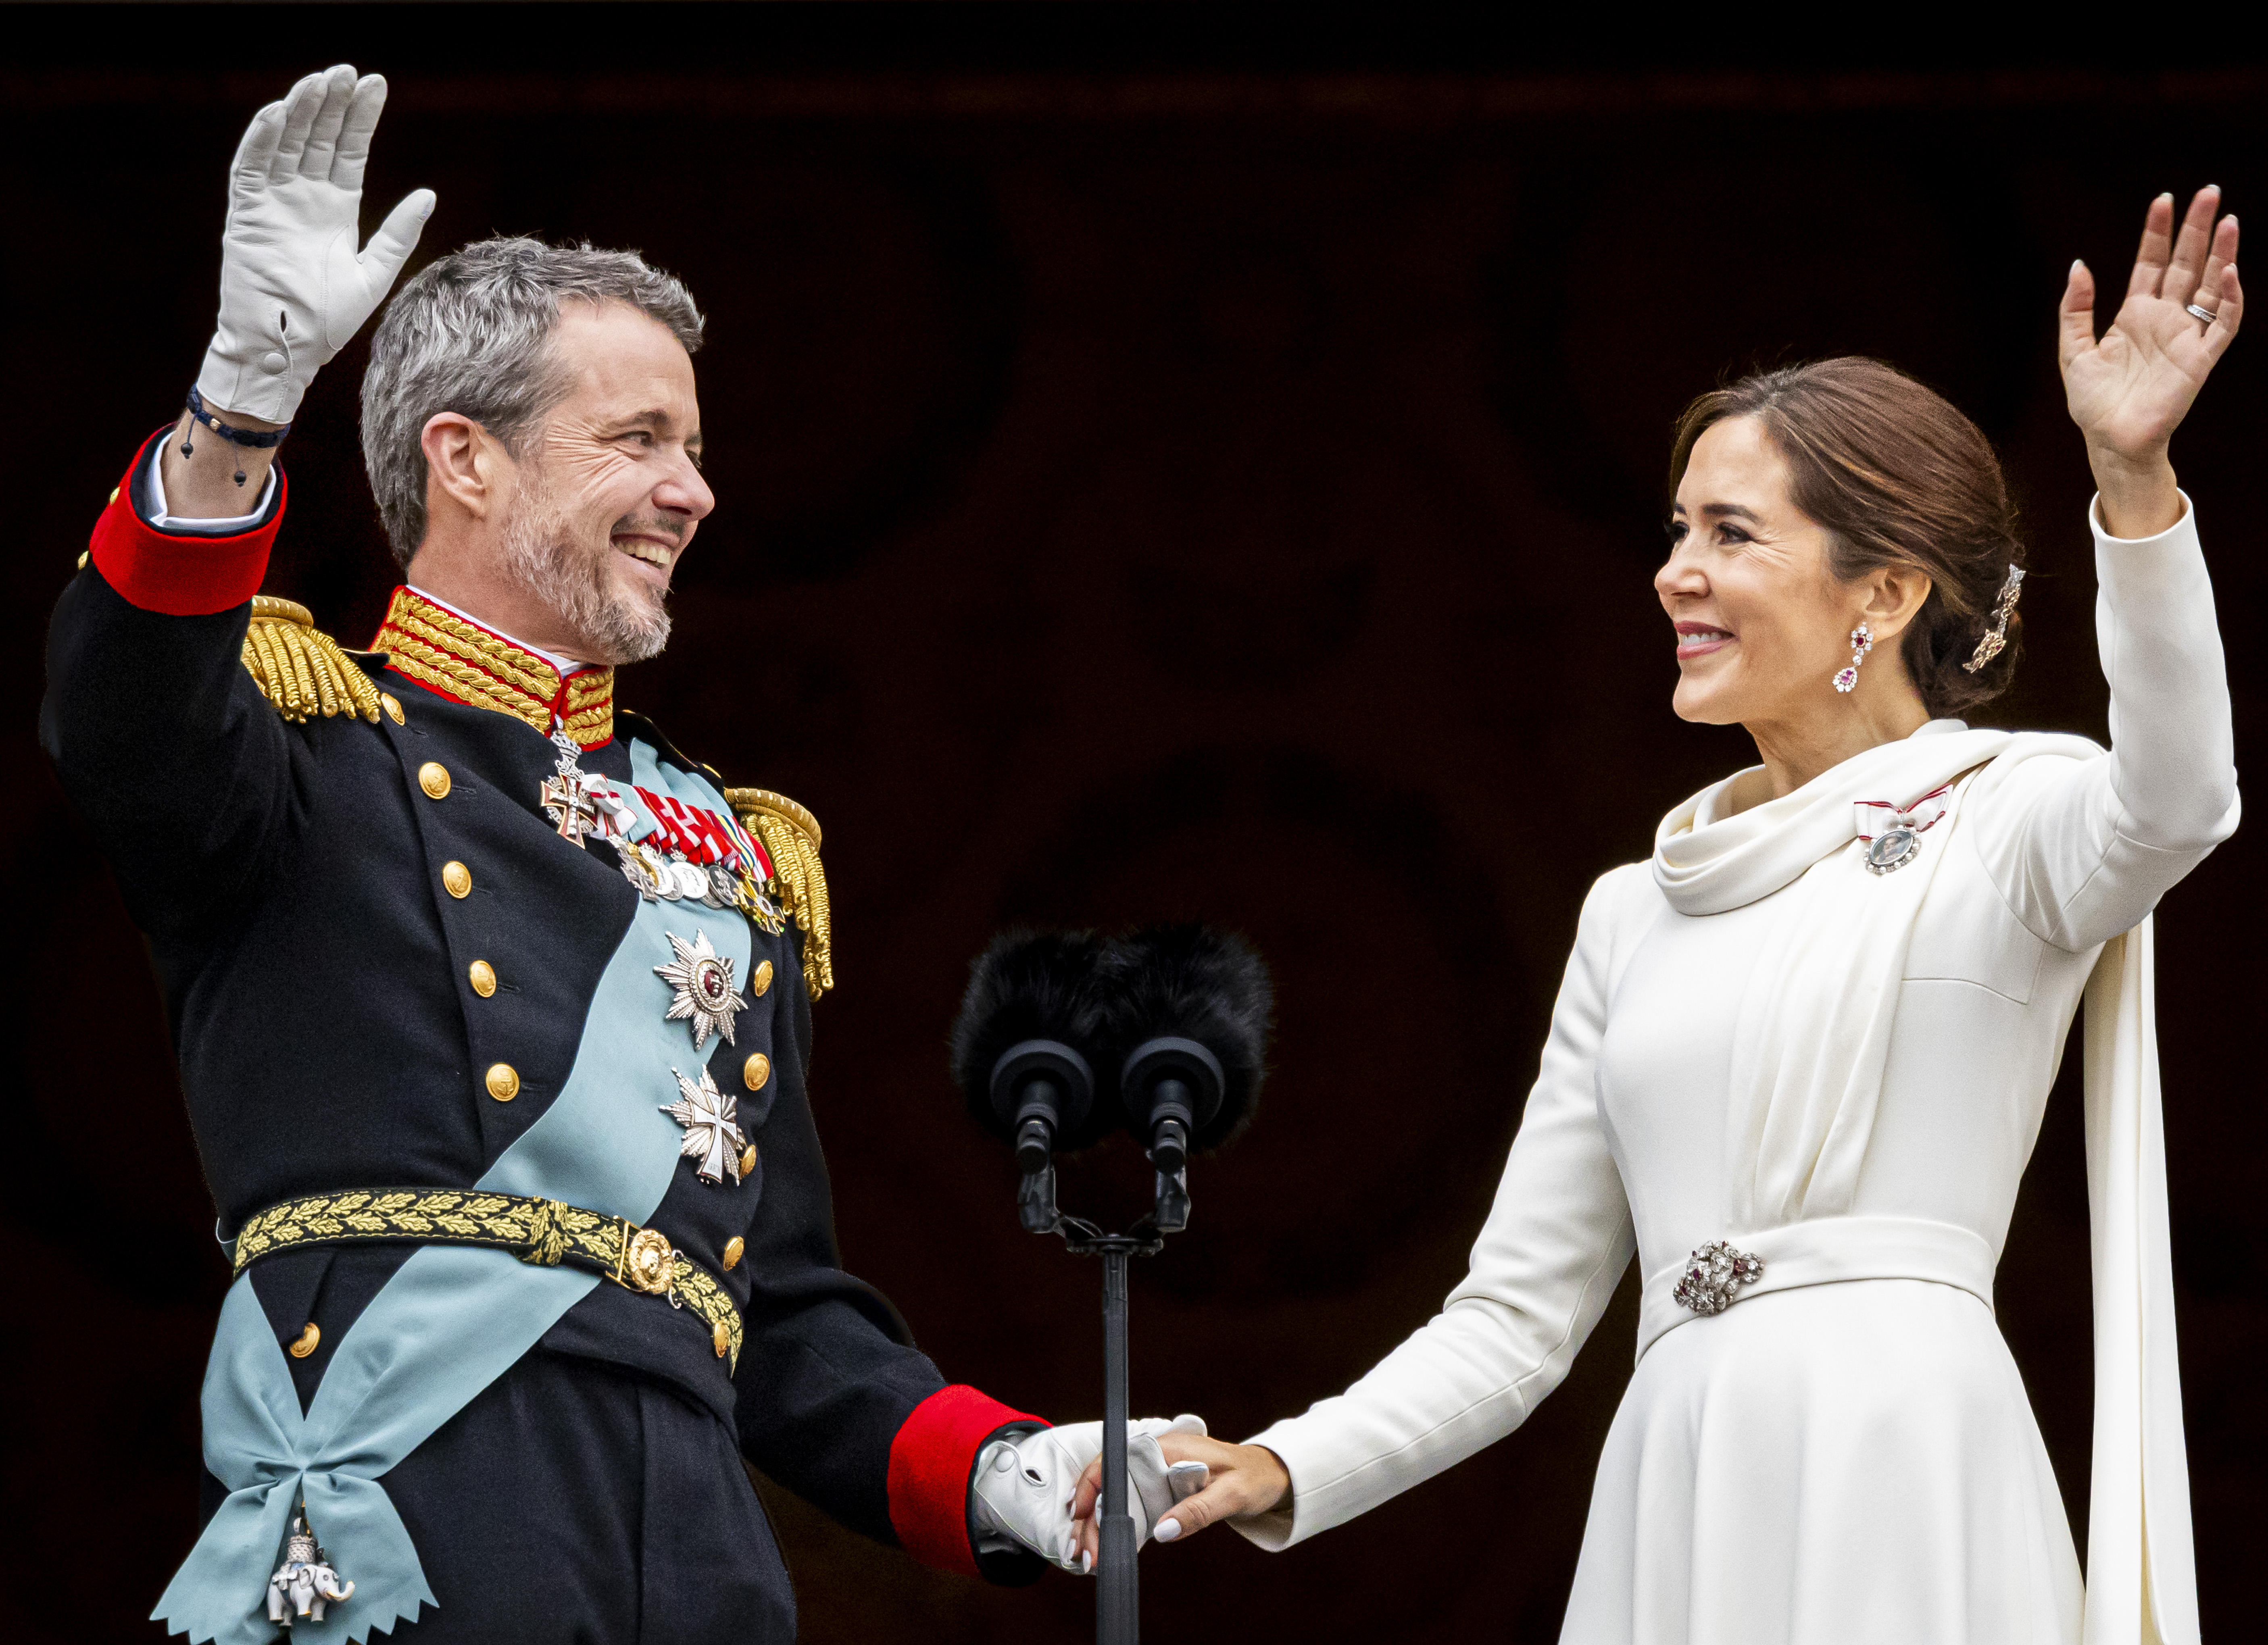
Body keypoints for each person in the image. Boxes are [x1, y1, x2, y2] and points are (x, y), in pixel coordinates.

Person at [43, 67, 1197, 1645]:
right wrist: (243, 400)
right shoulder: (302, 756)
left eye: (695, 446)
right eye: (639, 439)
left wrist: (1004, 1465)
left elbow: (778, 1313)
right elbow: (120, 706)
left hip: (689, 1552)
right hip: (412, 1506)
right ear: (467, 462)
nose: (694, 493)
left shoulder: (727, 853)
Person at [1083, 188, 2245, 1643]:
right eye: (1677, 527)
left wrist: (2133, 485)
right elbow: (1514, 1323)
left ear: (1881, 590)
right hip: (1680, 1468)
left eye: (1732, 534)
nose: (1674, 573)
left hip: (1906, 1454)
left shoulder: (2013, 814)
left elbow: (2183, 802)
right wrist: (1282, 1464)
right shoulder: (1633, 909)